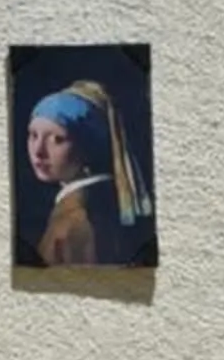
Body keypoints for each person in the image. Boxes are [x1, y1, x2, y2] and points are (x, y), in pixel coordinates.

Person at [23, 79, 154, 266]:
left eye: (57, 139)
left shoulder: (76, 222)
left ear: (89, 146)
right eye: (33, 135)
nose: (38, 151)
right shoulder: (94, 204)